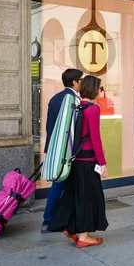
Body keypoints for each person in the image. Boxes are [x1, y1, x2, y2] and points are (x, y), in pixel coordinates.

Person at [48, 76, 109, 248]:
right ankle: (84, 236)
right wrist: (102, 163)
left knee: (75, 194)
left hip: (74, 160)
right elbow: (95, 138)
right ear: (93, 89)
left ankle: (71, 228)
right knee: (89, 197)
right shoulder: (93, 109)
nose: (100, 90)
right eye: (99, 87)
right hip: (88, 160)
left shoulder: (76, 107)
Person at [41, 68, 83, 233]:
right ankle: (50, 220)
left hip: (55, 149)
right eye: (81, 80)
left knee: (59, 185)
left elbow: (50, 126)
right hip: (67, 152)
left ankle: (53, 219)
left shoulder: (56, 98)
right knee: (60, 185)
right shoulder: (72, 100)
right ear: (75, 82)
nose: (83, 83)